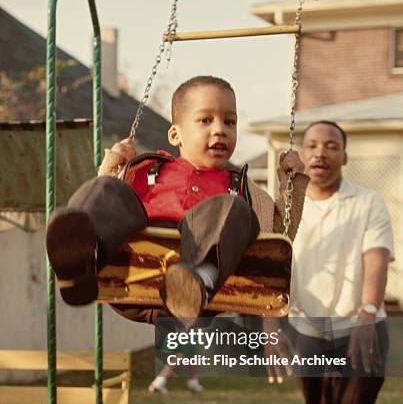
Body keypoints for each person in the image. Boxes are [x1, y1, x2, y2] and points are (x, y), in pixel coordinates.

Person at [46, 76, 309, 331]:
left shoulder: (239, 187)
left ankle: (197, 278)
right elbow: (107, 209)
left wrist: (292, 182)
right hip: (128, 274)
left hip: (194, 295)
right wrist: (115, 162)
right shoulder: (148, 169)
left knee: (235, 209)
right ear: (175, 134)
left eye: (229, 122)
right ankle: (81, 264)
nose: (220, 129)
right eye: (206, 120)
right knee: (107, 187)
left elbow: (278, 235)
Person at [282, 121, 394, 404]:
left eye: (332, 146)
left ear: (344, 157)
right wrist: (275, 328)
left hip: (360, 334)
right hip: (309, 334)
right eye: (312, 145)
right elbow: (274, 266)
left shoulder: (368, 203)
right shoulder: (289, 209)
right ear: (301, 154)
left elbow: (376, 258)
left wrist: (367, 314)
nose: (321, 153)